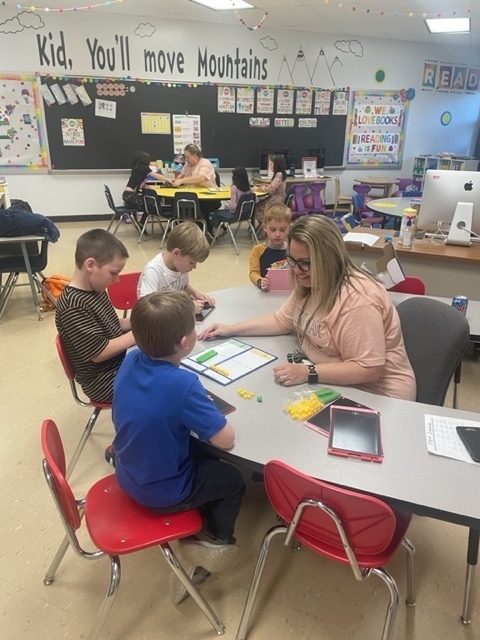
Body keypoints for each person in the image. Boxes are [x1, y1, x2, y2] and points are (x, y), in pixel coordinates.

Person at [112, 291, 246, 603]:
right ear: (186, 343)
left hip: (126, 469)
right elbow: (226, 439)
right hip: (160, 493)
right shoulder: (183, 384)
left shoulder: (131, 359)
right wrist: (199, 404)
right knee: (232, 479)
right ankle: (214, 541)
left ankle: (201, 527)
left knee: (197, 449)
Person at [199, 215, 416, 401]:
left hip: (377, 395)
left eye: (305, 262)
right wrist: (231, 329)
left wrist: (308, 372)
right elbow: (281, 320)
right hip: (334, 382)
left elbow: (368, 368)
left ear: (329, 258)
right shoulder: (310, 281)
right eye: (292, 260)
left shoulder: (358, 301)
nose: (297, 269)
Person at [55, 229, 136, 404]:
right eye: (113, 273)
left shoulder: (96, 289)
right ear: (90, 265)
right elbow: (99, 353)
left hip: (119, 362)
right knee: (164, 380)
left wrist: (142, 321)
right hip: (102, 379)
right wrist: (138, 334)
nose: (117, 280)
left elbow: (111, 324)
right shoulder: (73, 305)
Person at [137, 221, 215, 314]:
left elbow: (184, 286)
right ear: (176, 253)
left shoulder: (180, 266)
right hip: (158, 320)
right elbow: (148, 311)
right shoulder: (153, 272)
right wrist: (188, 309)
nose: (194, 267)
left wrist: (196, 294)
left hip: (174, 315)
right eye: (192, 262)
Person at [249, 203, 291, 290]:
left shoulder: (292, 250)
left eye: (283, 230)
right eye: (272, 229)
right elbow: (253, 272)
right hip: (265, 292)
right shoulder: (257, 250)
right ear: (265, 227)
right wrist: (260, 281)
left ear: (289, 228)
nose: (277, 234)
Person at [122, 151, 171, 226]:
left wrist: (146, 186)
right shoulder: (143, 167)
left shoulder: (137, 168)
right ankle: (141, 224)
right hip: (130, 196)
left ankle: (141, 224)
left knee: (148, 205)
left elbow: (138, 184)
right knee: (149, 207)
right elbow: (157, 176)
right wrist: (168, 180)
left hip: (127, 195)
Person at [210, 167, 252, 233]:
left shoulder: (234, 189)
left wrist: (226, 206)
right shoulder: (249, 188)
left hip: (234, 215)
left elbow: (233, 206)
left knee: (216, 213)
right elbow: (255, 200)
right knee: (221, 213)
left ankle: (215, 232)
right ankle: (221, 229)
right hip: (245, 214)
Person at [253, 154, 287, 225]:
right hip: (277, 199)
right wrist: (264, 185)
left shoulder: (279, 175)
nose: (270, 166)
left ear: (276, 165)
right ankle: (262, 226)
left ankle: (264, 225)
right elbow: (274, 186)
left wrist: (259, 188)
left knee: (257, 206)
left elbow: (271, 190)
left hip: (276, 201)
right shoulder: (281, 174)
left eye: (271, 164)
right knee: (259, 203)